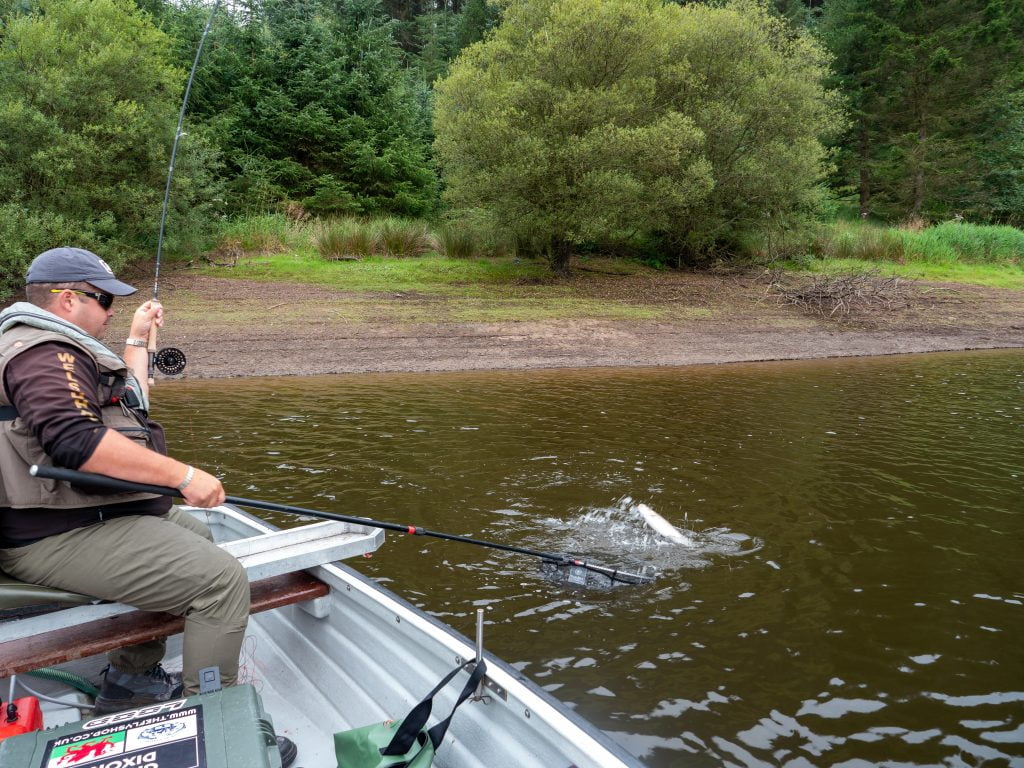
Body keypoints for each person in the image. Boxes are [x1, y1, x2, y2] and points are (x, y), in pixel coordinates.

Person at [0, 248, 249, 710]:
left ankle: (129, 679)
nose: (111, 311)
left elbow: (128, 406)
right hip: (52, 532)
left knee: (194, 531)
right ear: (67, 299)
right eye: (104, 300)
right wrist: (185, 475)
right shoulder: (41, 352)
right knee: (221, 582)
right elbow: (74, 439)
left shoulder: (48, 347)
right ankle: (216, 718)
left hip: (79, 514)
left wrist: (137, 339)